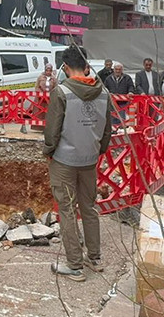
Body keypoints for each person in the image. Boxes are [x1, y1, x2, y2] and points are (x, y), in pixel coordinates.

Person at [43, 46, 114, 282]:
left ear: (65, 67)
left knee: (67, 209)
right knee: (89, 208)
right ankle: (94, 258)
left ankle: (74, 265)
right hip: (89, 160)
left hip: (64, 160)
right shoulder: (103, 93)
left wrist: (48, 151)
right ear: (86, 67)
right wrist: (97, 151)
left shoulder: (61, 92)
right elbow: (107, 130)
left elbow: (53, 131)